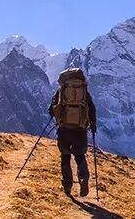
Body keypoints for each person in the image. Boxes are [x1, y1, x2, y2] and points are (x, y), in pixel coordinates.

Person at [48, 67, 97, 197]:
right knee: (80, 155)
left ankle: (67, 186)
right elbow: (92, 109)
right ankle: (83, 178)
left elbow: (51, 110)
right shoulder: (84, 92)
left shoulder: (61, 91)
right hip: (80, 130)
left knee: (65, 157)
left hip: (64, 130)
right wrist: (93, 125)